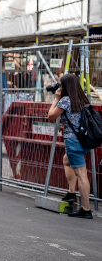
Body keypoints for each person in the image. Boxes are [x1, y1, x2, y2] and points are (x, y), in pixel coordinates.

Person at [48, 74, 94, 219]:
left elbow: (51, 116)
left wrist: (56, 99)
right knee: (67, 160)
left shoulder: (66, 101)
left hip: (73, 142)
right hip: (84, 141)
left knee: (81, 174)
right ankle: (71, 192)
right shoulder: (82, 99)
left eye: (61, 85)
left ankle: (86, 209)